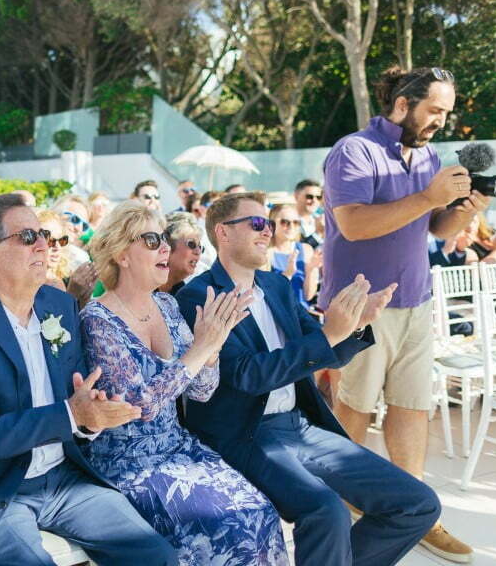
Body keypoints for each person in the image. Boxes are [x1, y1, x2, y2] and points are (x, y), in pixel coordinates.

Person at [176, 192, 440, 566]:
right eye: (256, 223)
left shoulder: (277, 286)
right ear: (223, 232)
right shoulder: (198, 296)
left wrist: (355, 325)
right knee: (326, 511)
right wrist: (329, 335)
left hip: (298, 425)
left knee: (418, 503)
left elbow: (320, 346)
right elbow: (247, 375)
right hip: (246, 433)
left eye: (268, 223)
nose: (267, 231)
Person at [0, 193, 178, 566]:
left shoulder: (58, 306)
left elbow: (79, 396)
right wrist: (72, 415)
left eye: (42, 234)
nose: (43, 244)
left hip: (61, 478)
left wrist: (91, 419)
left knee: (157, 556)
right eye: (27, 237)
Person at [322, 67, 486, 563]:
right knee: (354, 408)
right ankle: (334, 509)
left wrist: (464, 209)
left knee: (413, 407)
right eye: (434, 110)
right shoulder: (354, 151)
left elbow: (436, 227)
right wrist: (427, 196)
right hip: (360, 306)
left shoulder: (429, 156)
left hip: (417, 301)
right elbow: (353, 225)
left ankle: (418, 513)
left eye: (446, 113)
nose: (441, 122)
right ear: (402, 104)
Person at [82, 201, 287, 565]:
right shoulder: (97, 320)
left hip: (179, 448)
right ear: (121, 255)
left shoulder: (167, 305)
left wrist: (212, 350)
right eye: (151, 240)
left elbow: (202, 390)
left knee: (261, 513)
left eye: (164, 238)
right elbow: (139, 406)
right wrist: (199, 350)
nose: (165, 247)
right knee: (227, 529)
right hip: (129, 463)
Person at [37, 209, 98, 306]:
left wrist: (84, 298)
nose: (57, 247)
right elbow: (51, 314)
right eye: (50, 240)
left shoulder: (61, 278)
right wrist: (72, 293)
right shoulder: (26, 281)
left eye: (61, 241)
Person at [266, 203, 322, 311]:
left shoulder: (306, 249)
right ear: (272, 224)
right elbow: (266, 294)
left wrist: (310, 270)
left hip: (301, 314)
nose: (291, 226)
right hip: (277, 314)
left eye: (296, 222)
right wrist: (287, 275)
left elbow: (308, 296)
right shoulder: (266, 253)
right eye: (285, 222)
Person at [158, 213, 205, 295]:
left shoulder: (186, 294)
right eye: (191, 244)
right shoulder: (140, 287)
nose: (198, 252)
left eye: (201, 247)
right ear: (167, 245)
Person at [52, 194, 92, 271]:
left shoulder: (80, 259)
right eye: (75, 219)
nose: (78, 229)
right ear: (56, 214)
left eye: (84, 226)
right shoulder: (35, 244)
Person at [294, 179, 325, 248]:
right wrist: (318, 233)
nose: (314, 201)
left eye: (318, 197)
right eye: (309, 197)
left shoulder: (322, 220)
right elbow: (298, 250)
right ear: (296, 196)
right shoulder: (287, 222)